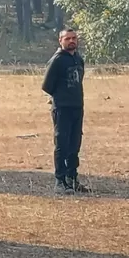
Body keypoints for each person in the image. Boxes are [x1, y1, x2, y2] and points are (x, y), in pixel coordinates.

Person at [41, 28, 88, 194]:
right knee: (62, 144)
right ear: (60, 41)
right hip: (62, 108)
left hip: (77, 107)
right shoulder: (57, 60)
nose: (71, 41)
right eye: (67, 38)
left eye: (74, 38)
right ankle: (60, 181)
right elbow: (46, 85)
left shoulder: (78, 59)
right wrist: (60, 97)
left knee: (75, 145)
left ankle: (72, 179)